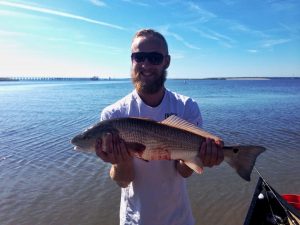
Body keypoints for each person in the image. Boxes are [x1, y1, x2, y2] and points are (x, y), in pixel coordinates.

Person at [95, 29, 224, 225]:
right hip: (134, 220)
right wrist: (121, 161)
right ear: (132, 60)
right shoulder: (113, 115)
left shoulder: (186, 107)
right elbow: (123, 181)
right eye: (139, 57)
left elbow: (183, 172)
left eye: (154, 58)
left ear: (167, 61)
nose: (146, 64)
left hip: (180, 219)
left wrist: (202, 157)